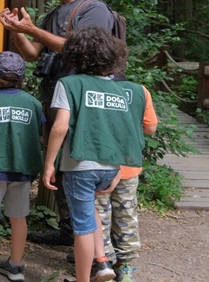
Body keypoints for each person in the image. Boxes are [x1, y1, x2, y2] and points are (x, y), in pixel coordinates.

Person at [0, 0, 115, 246]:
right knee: (63, 167)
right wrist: (16, 31)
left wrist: (31, 29)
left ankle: (90, 239)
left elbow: (81, 51)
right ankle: (69, 230)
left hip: (84, 101)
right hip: (55, 97)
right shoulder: (53, 15)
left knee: (80, 165)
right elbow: (32, 54)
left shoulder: (95, 11)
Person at [42, 26, 150, 282]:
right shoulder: (122, 90)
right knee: (91, 213)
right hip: (111, 166)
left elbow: (59, 126)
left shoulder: (68, 84)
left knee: (82, 227)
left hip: (79, 166)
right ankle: (103, 264)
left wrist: (49, 164)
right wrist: (117, 168)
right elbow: (123, 129)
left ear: (74, 56)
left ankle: (83, 278)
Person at [0, 52, 44, 282]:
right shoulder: (33, 104)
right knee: (18, 217)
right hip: (22, 170)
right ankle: (15, 266)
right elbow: (38, 136)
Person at [94, 39, 158, 282]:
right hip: (129, 164)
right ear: (126, 64)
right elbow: (151, 128)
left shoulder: (93, 88)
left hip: (99, 164)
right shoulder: (140, 91)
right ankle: (127, 267)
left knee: (99, 213)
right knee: (126, 214)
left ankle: (103, 262)